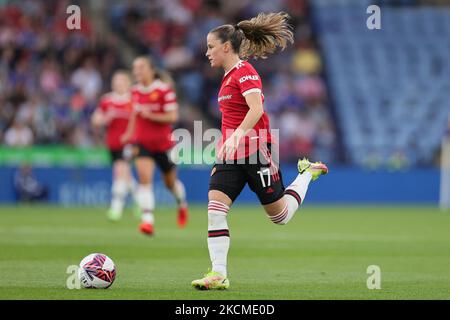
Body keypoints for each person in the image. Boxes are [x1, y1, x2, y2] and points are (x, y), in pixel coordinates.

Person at [191, 12, 328, 290]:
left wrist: (238, 135)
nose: (207, 52)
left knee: (280, 217)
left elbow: (257, 109)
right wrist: (228, 142)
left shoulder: (245, 72)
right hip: (230, 155)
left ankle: (306, 173)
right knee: (215, 210)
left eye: (210, 46)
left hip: (256, 152)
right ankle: (219, 274)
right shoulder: (227, 76)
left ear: (226, 47)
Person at [121, 56, 189, 235]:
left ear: (151, 70)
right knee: (145, 180)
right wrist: (129, 134)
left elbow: (173, 117)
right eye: (135, 68)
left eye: (141, 67)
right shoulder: (134, 91)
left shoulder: (163, 90)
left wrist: (150, 115)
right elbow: (135, 115)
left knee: (170, 183)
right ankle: (147, 221)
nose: (137, 72)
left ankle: (182, 204)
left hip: (164, 145)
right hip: (143, 143)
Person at [91, 70, 139, 221]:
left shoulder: (134, 99)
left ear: (127, 82)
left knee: (120, 171)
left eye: (121, 81)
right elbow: (95, 120)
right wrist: (106, 118)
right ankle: (140, 201)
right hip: (112, 144)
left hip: (129, 143)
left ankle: (116, 208)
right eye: (116, 80)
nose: (118, 83)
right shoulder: (107, 100)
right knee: (126, 176)